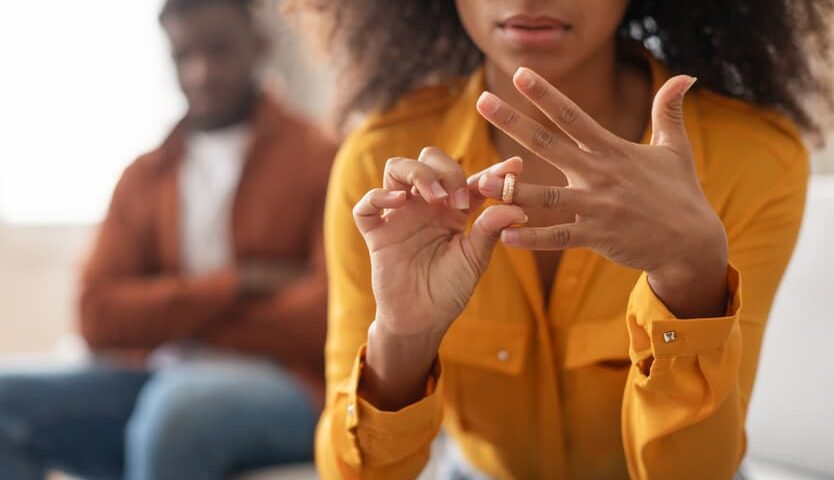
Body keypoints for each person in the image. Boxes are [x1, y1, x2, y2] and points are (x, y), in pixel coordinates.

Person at [299, 0, 834, 478]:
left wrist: (691, 282)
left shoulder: (753, 162)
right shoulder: (380, 165)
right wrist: (403, 339)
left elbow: (695, 472)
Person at [0, 0, 335, 478]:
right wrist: (236, 286)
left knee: (178, 414)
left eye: (218, 51)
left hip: (287, 383)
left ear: (257, 47)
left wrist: (171, 317)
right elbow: (97, 314)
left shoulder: (320, 159)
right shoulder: (145, 175)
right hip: (155, 375)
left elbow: (326, 315)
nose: (201, 72)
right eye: (184, 56)